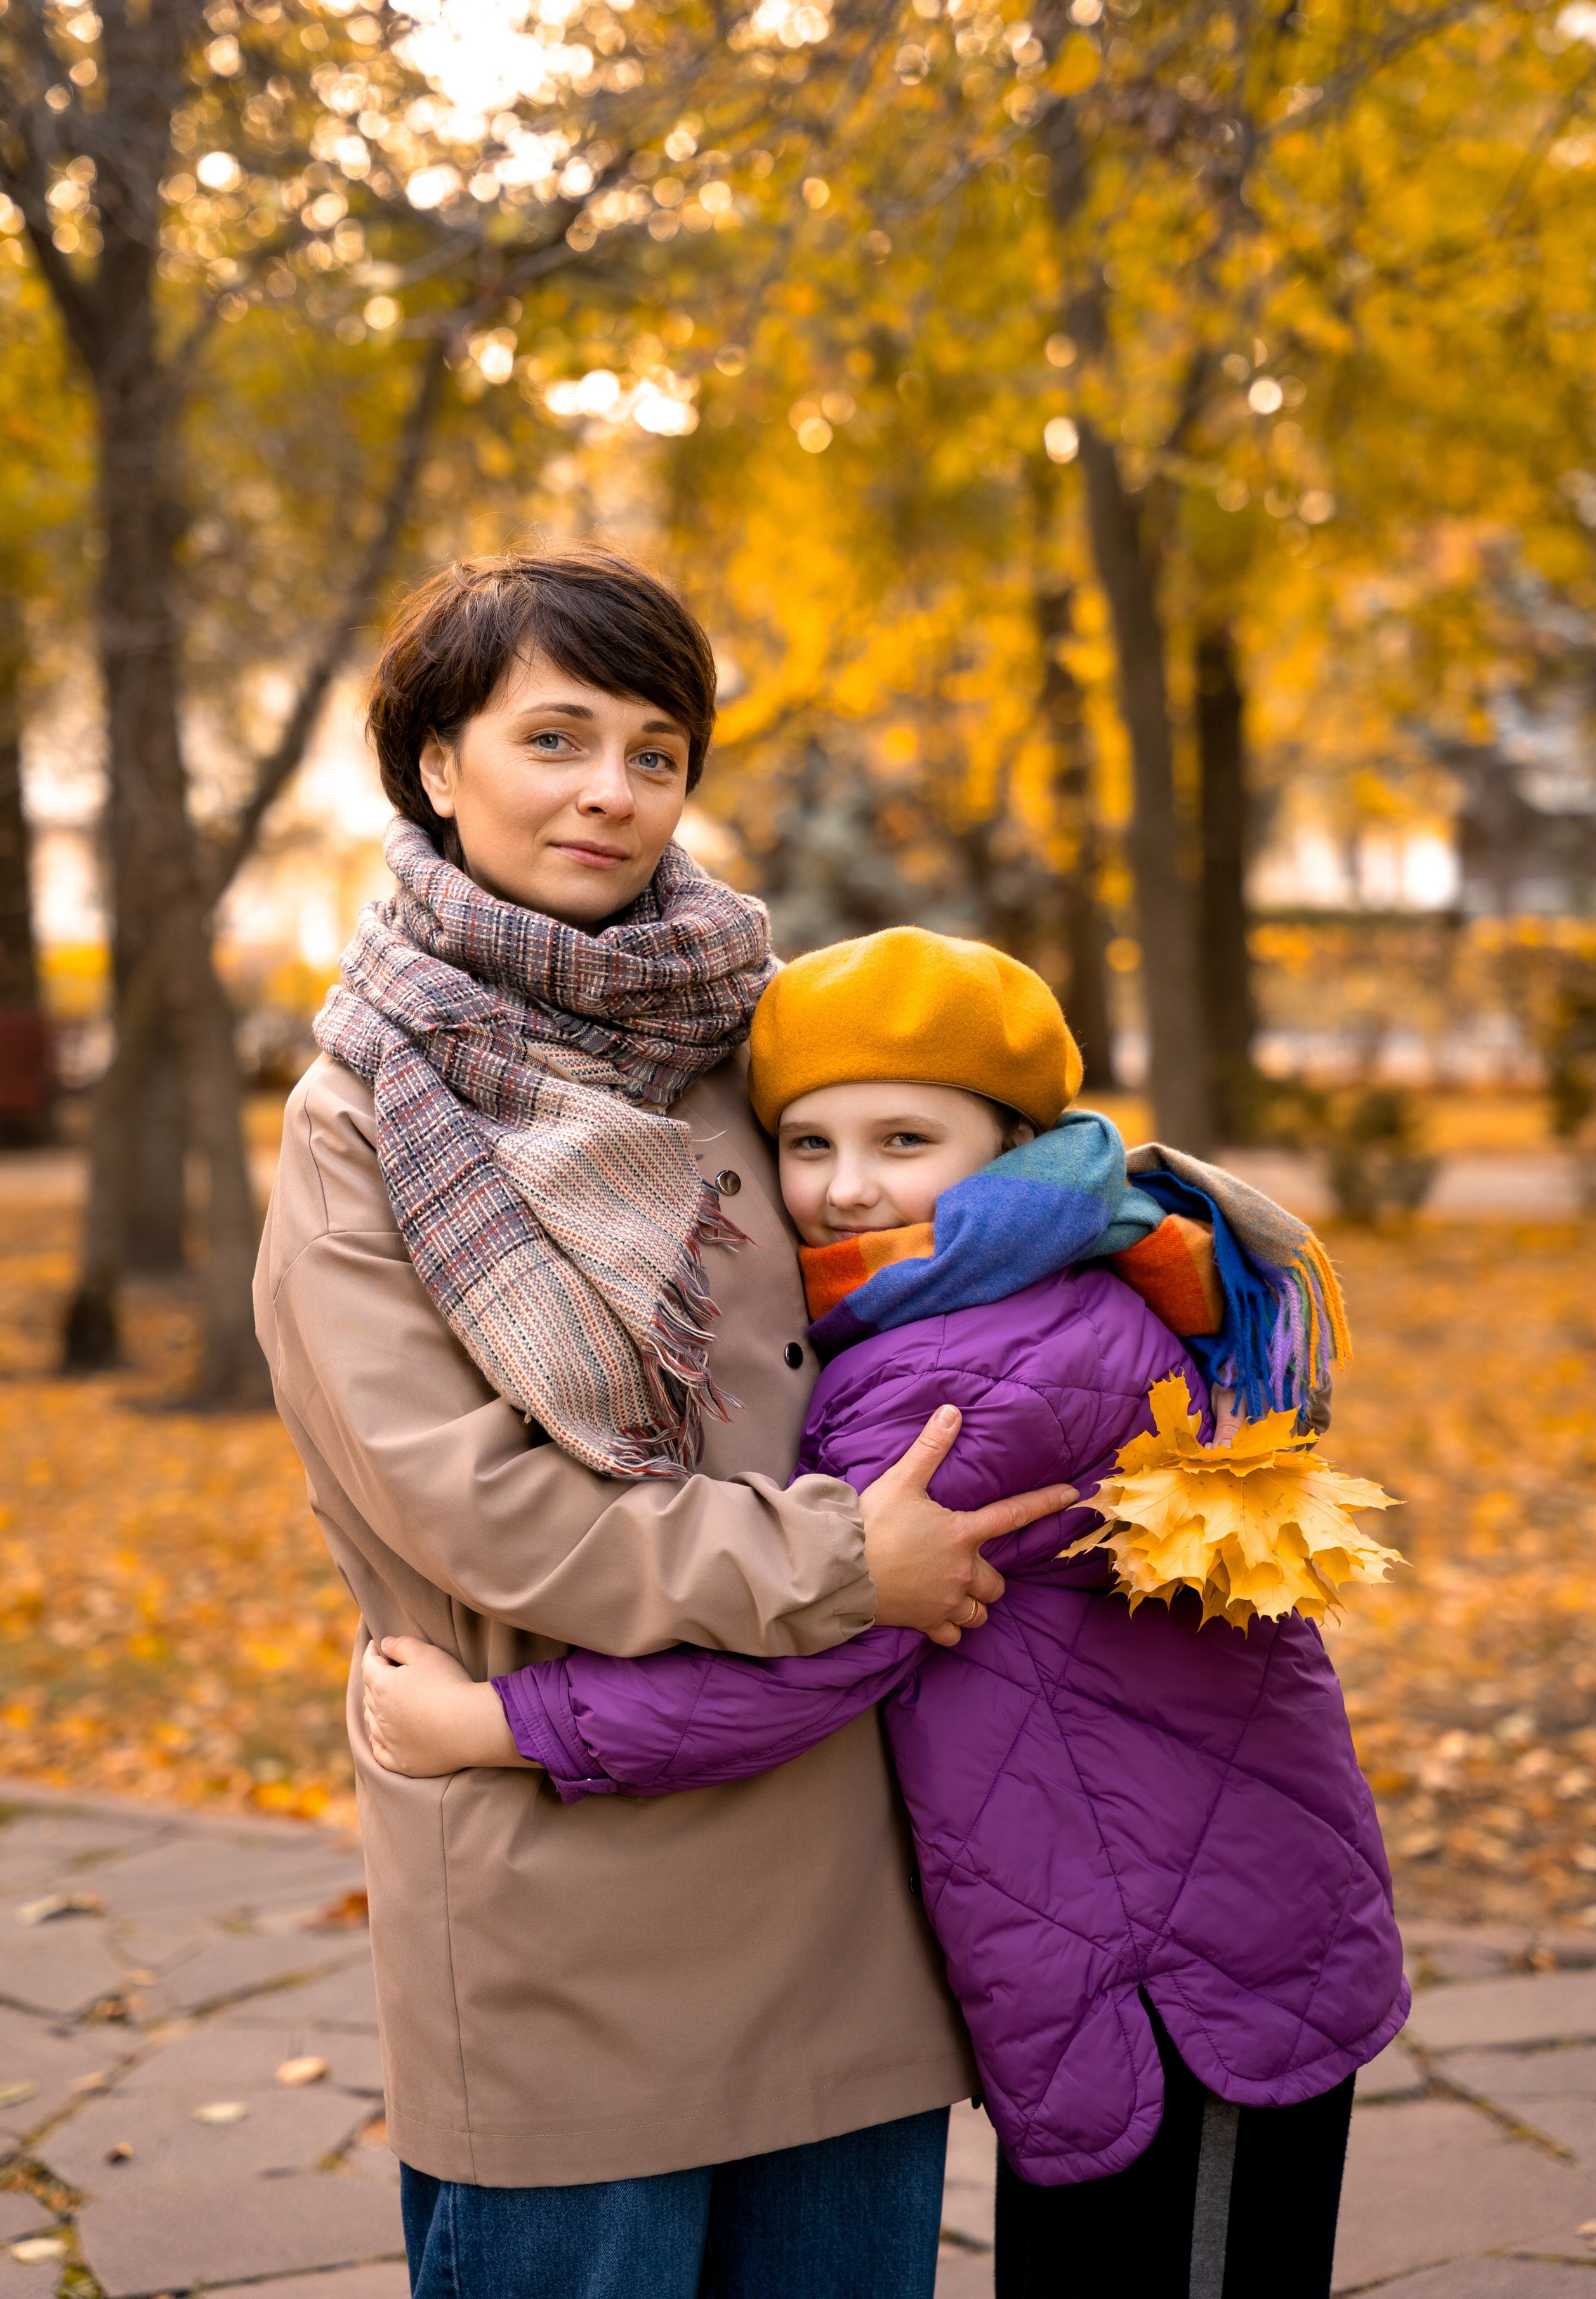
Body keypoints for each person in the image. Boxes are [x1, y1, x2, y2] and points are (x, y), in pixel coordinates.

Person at [254, 553, 1081, 2299]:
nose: (610, 791)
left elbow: (994, 1245)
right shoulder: (362, 1114)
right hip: (564, 1880)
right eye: (555, 737)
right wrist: (851, 1560)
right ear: (436, 765)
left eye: (656, 749)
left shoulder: (762, 1047)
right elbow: (473, 1511)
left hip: (840, 1865)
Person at [365, 927, 1408, 2299]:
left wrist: (494, 1724)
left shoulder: (977, 1360)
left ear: (1010, 1141)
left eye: (904, 1140)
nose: (845, 1189)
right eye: (807, 1144)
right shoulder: (985, 1291)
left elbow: (817, 1652)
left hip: (1192, 1962)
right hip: (1112, 1927)